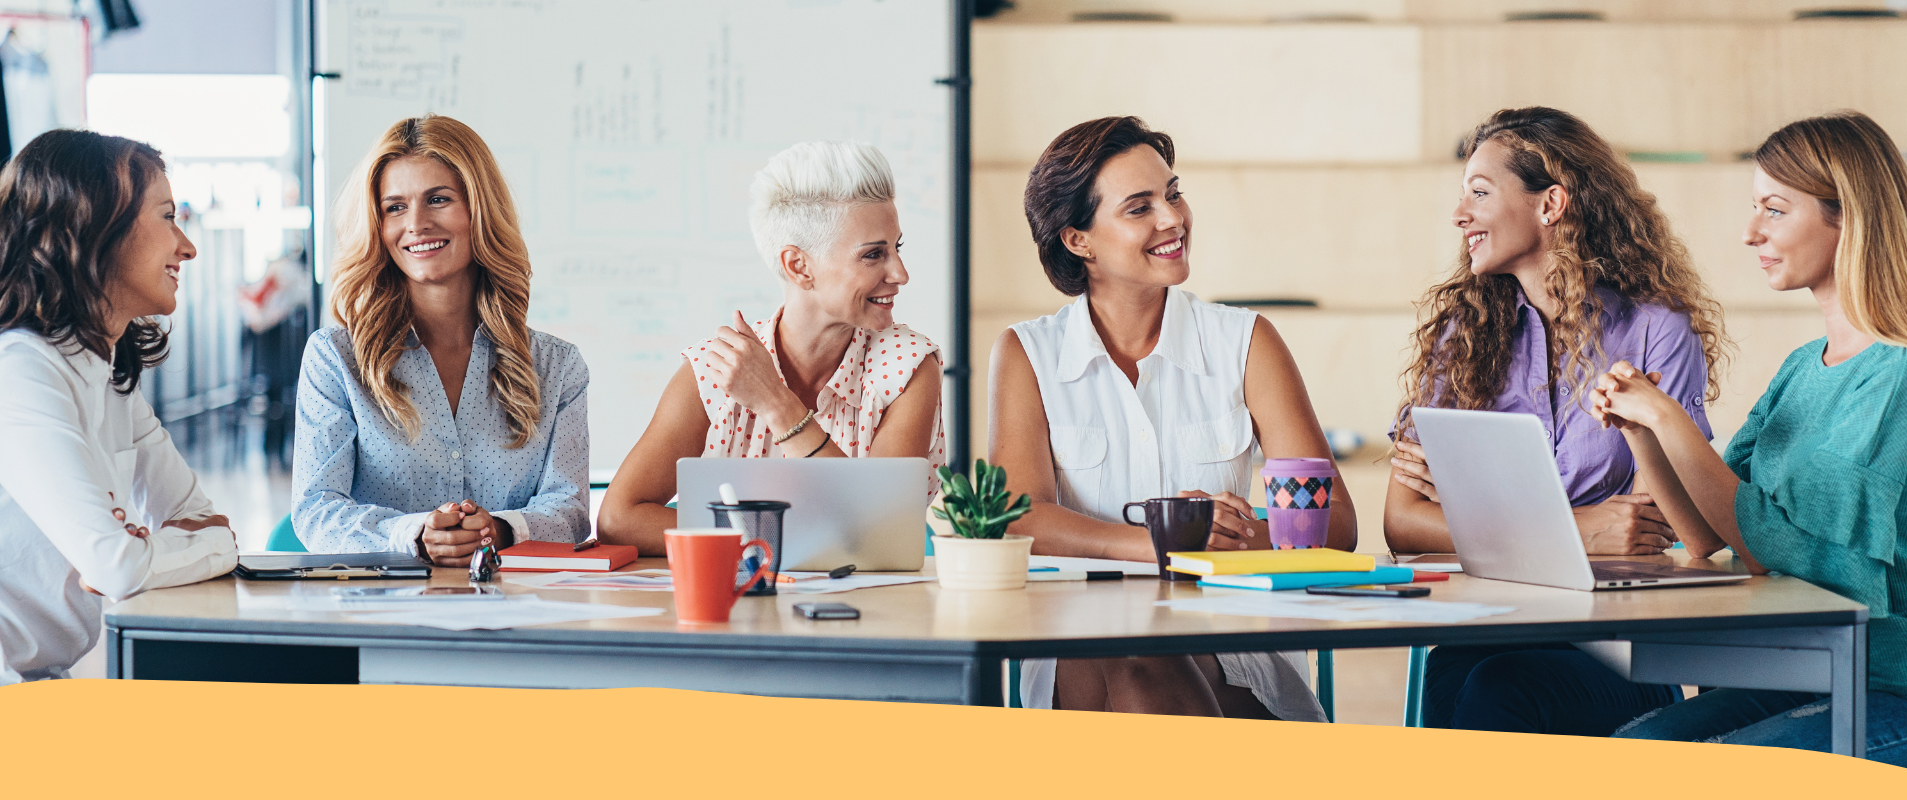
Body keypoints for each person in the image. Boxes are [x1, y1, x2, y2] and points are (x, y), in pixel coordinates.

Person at [991, 116, 1355, 719]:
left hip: (1232, 651)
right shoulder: (1028, 355)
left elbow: (1335, 521)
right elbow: (1019, 518)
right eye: (1140, 207)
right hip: (1077, 650)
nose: (1173, 219)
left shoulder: (1246, 342)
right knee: (1122, 647)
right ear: (1079, 240)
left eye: (1173, 194)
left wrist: (1237, 542)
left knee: (1143, 658)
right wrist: (1164, 546)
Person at [1385, 107, 1729, 734]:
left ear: (1551, 204)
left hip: (1616, 652)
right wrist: (1580, 527)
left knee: (1497, 686)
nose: (1460, 214)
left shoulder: (1657, 330)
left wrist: (1477, 516)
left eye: (1480, 193)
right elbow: (1405, 523)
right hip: (1490, 627)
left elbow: (1646, 530)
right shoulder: (1464, 336)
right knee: (1457, 673)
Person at [1601, 112, 1907, 767]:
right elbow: (1709, 534)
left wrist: (1672, 420)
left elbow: (1808, 564)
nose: (1751, 233)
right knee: (1636, 751)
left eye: (1774, 210)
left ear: (1847, 217)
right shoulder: (1805, 365)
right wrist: (1643, 433)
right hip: (1805, 671)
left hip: (1893, 686)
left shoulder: (1900, 371)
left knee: (1702, 772)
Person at [597, 141, 944, 555]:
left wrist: (777, 404)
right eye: (874, 255)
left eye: (896, 248)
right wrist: (786, 534)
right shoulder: (716, 370)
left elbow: (878, 532)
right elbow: (619, 519)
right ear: (799, 266)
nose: (900, 273)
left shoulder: (909, 366)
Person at [294, 115, 589, 564]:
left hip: (517, 612)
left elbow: (570, 511)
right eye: (394, 207)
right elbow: (317, 511)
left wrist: (502, 529)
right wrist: (413, 534)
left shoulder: (557, 366)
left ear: (479, 209)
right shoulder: (335, 358)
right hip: (384, 617)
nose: (416, 223)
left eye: (438, 199)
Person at [0, 130, 238, 684]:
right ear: (93, 228)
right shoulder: (20, 369)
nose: (187, 246)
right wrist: (210, 546)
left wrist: (177, 545)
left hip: (36, 685)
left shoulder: (107, 372)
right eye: (166, 217)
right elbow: (116, 566)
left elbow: (191, 510)